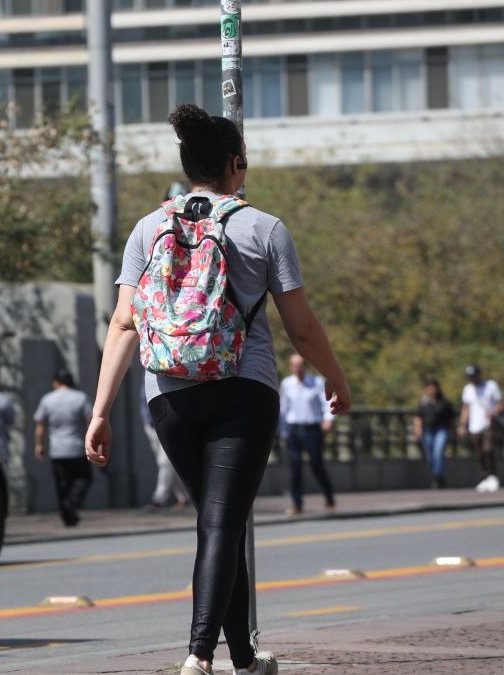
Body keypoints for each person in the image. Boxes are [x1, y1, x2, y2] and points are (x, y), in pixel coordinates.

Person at [85, 103, 351, 675]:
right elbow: (301, 325)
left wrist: (100, 410)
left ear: (186, 169)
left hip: (169, 394)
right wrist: (336, 375)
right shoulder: (264, 228)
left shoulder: (148, 227)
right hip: (242, 389)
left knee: (217, 522)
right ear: (237, 164)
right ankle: (199, 656)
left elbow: (124, 323)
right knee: (222, 523)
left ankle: (246, 658)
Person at [34, 368, 93, 527]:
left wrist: (39, 445)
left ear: (56, 382)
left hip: (57, 450)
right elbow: (90, 420)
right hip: (77, 448)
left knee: (62, 484)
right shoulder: (80, 397)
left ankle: (67, 515)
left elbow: (40, 425)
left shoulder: (47, 399)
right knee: (83, 479)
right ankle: (72, 505)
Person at [280, 353, 337, 515]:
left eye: (300, 364)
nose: (297, 368)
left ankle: (329, 496)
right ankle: (297, 504)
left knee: (316, 465)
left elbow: (327, 402)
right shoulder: (287, 384)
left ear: (305, 366)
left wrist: (328, 418)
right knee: (295, 467)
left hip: (312, 429)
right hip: (293, 429)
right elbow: (283, 409)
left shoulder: (316, 382)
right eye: (294, 365)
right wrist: (283, 431)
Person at [143, 383, 188, 510]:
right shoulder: (147, 370)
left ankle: (159, 497)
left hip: (165, 419)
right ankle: (183, 496)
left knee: (165, 463)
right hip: (150, 424)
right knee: (169, 463)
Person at [459, 364, 502, 493]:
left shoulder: (491, 386)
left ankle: (493, 476)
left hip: (488, 423)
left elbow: (500, 403)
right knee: (479, 453)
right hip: (474, 425)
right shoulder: (468, 389)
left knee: (488, 449)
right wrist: (462, 425)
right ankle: (485, 477)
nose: (472, 379)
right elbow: (466, 408)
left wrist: (494, 412)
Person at [414, 377, 456, 489]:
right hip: (428, 430)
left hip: (441, 430)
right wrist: (418, 429)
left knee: (438, 452)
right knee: (430, 455)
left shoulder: (444, 402)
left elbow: (451, 418)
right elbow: (419, 416)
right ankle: (437, 475)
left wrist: (454, 431)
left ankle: (437, 477)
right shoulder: (424, 402)